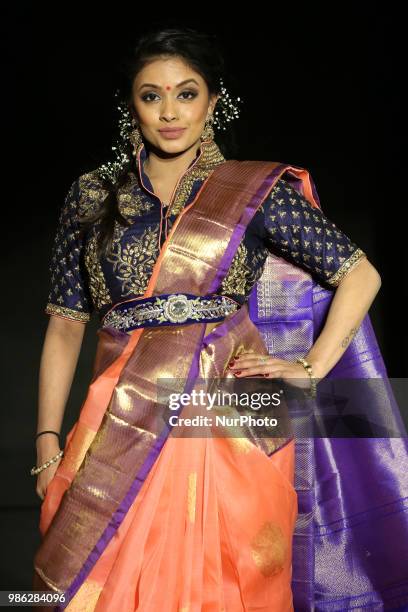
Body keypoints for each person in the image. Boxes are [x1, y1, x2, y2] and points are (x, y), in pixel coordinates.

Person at [32, 27, 407, 612]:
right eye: (151, 95)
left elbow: (361, 275)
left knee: (225, 582)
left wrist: (309, 368)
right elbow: (64, 325)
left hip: (228, 419)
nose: (169, 111)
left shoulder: (253, 191)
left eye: (187, 93)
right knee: (96, 583)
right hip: (118, 417)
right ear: (131, 105)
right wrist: (49, 444)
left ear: (213, 102)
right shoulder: (94, 195)